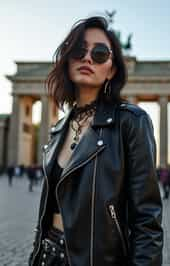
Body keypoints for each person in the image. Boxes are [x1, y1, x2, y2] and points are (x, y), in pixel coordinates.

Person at [28, 16, 163, 266]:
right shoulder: (58, 129)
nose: (88, 58)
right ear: (68, 60)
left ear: (111, 69)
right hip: (49, 256)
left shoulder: (131, 122)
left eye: (100, 53)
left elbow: (147, 223)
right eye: (79, 50)